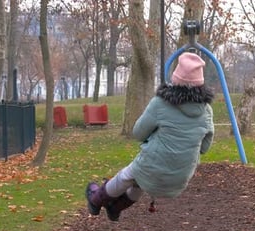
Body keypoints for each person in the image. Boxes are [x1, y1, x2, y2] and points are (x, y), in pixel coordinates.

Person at [86, 52, 215, 221]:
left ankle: (96, 200)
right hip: (182, 176)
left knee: (129, 175)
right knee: (140, 180)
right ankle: (115, 208)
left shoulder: (161, 103)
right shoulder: (206, 112)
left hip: (153, 167)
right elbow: (205, 147)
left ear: (176, 79)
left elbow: (138, 133)